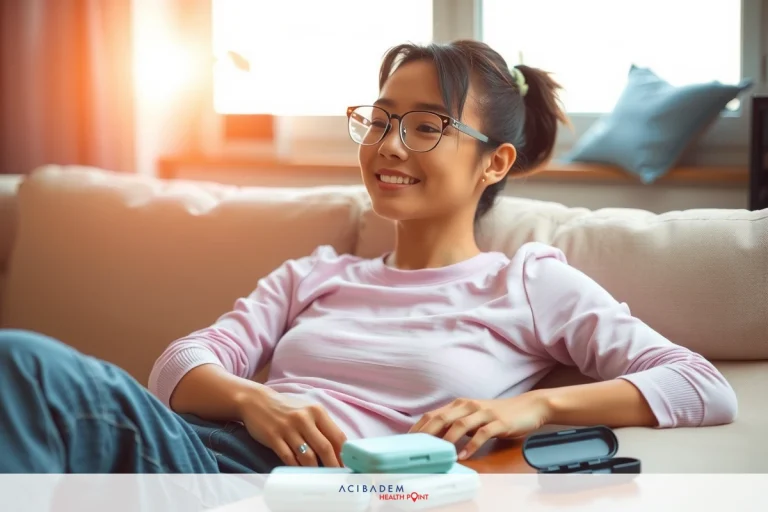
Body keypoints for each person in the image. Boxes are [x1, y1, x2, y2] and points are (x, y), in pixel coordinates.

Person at [0, 40, 737, 475]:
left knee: (22, 366)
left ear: (494, 162)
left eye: (425, 127)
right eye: (380, 121)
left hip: (324, 485)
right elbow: (179, 364)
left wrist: (528, 406)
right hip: (208, 454)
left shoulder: (526, 280)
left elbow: (699, 385)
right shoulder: (314, 274)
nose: (387, 147)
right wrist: (256, 400)